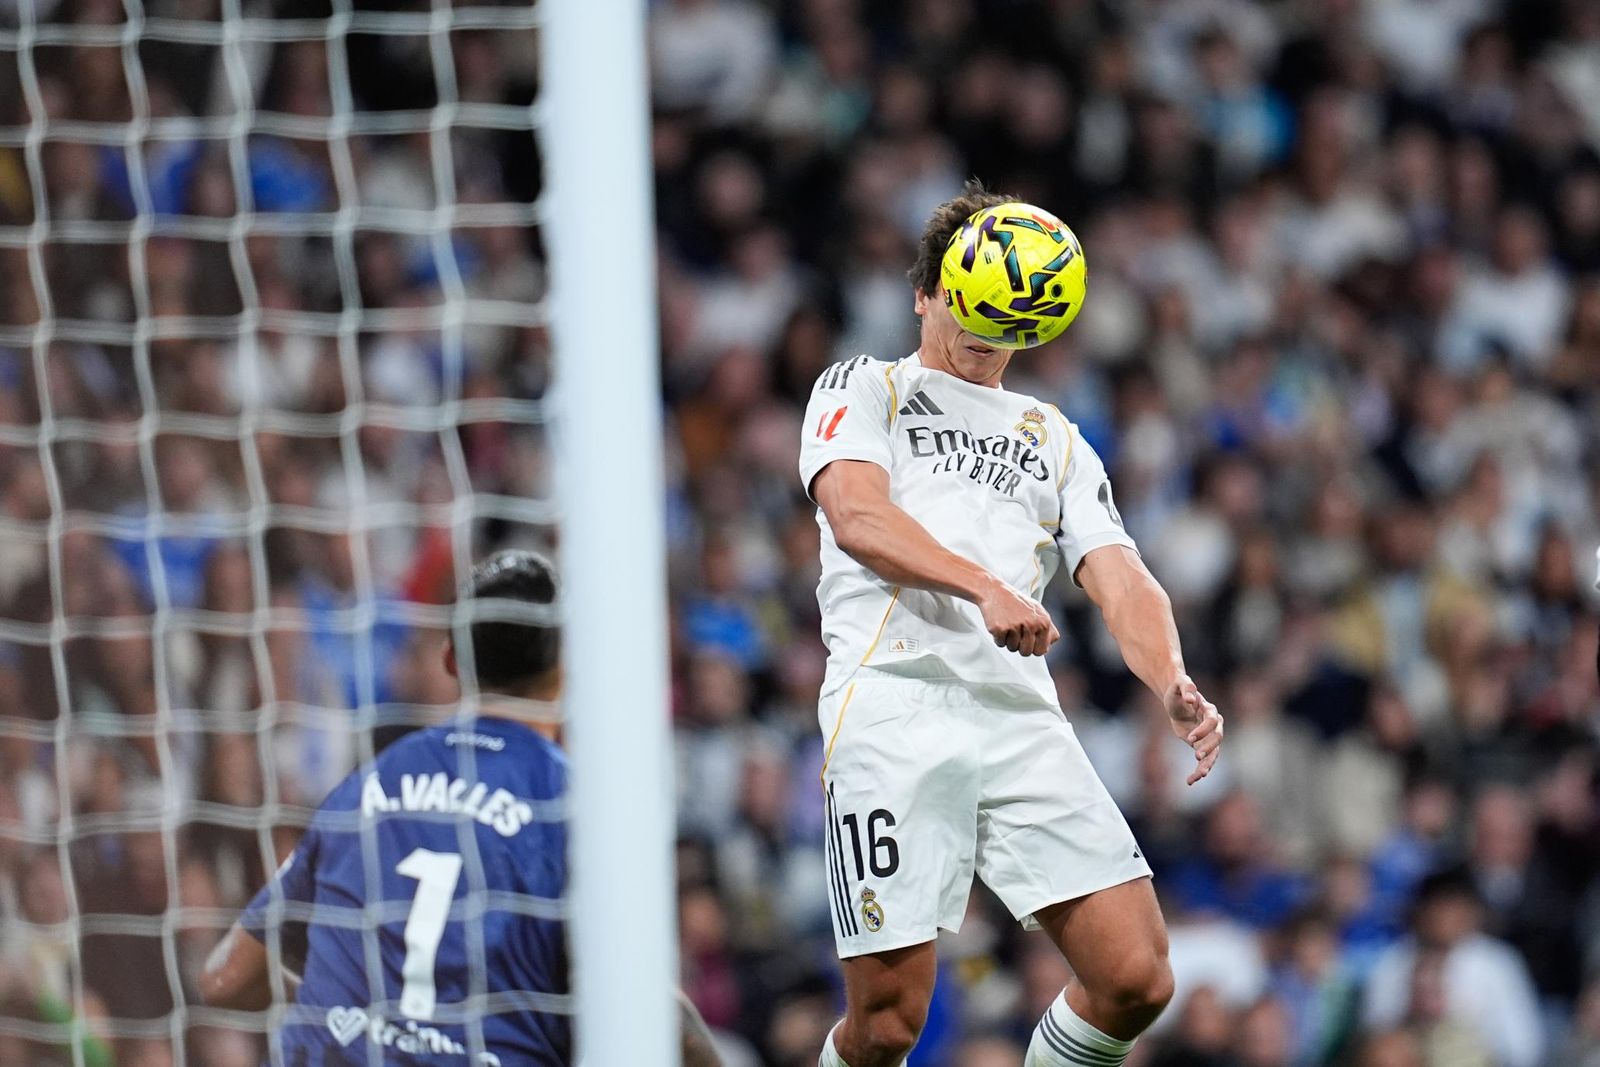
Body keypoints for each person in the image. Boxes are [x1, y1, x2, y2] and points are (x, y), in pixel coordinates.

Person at [799, 183, 1224, 1067]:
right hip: (894, 703)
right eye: (964, 308)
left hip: (1018, 715)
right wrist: (986, 589)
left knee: (1137, 975)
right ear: (926, 293)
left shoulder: (1054, 435)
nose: (986, 337)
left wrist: (1171, 680)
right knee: (886, 1023)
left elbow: (1120, 574)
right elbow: (858, 517)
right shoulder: (863, 385)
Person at [200, 551, 721, 1067]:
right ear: (568, 667)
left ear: (450, 659)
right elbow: (658, 1022)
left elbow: (224, 979)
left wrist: (347, 1021)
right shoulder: (574, 808)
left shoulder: (365, 786)